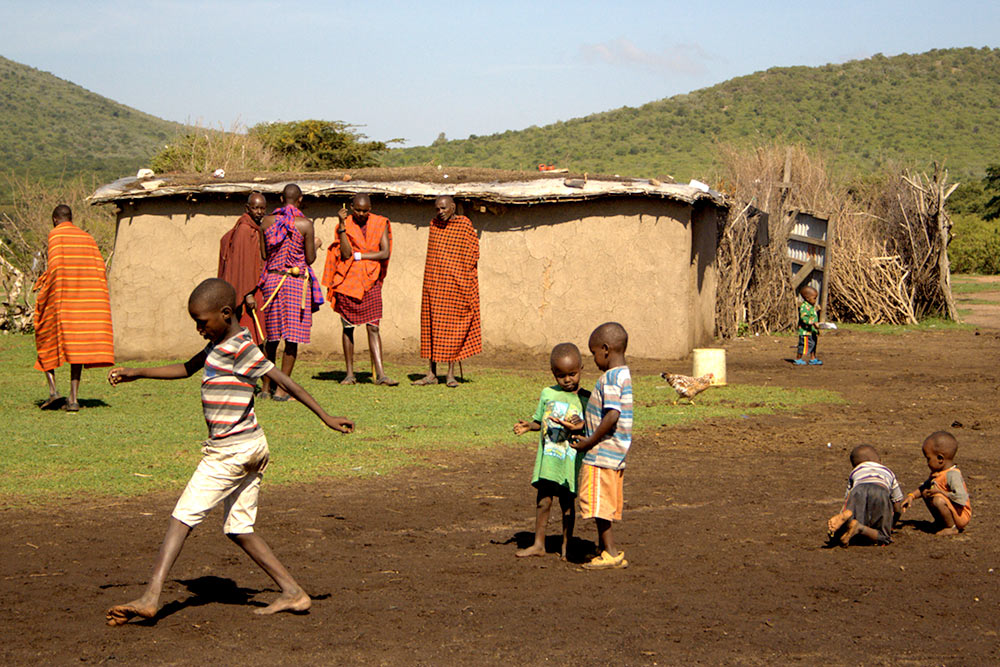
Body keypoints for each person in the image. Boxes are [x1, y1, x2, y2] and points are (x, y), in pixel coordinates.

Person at [104, 278, 353, 626]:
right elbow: (186, 369)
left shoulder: (241, 346)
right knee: (239, 528)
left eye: (202, 322)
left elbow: (284, 381)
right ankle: (292, 592)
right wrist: (137, 373)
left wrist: (325, 416)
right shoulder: (219, 344)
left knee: (182, 518)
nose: (198, 328)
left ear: (225, 313)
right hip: (250, 447)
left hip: (231, 452)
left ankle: (150, 597)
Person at [556, 322, 633, 570]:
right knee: (604, 501)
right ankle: (603, 548)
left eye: (594, 354)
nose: (595, 360)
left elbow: (611, 415)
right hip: (613, 451)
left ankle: (610, 552)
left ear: (606, 349)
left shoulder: (610, 377)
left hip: (602, 453)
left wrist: (589, 441)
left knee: (598, 503)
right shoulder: (624, 375)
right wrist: (583, 428)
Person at [32, 204, 114, 412]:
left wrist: (42, 289)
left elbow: (56, 269)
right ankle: (74, 399)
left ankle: (53, 392)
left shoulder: (56, 235)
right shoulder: (87, 238)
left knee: (44, 337)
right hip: (84, 303)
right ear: (71, 218)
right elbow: (98, 271)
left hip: (60, 300)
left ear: (54, 220)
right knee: (77, 349)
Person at [513, 343, 590, 560]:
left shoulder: (585, 399)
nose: (568, 380)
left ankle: (567, 545)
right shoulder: (547, 393)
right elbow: (540, 421)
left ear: (581, 369)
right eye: (561, 375)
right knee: (543, 501)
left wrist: (581, 423)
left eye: (572, 374)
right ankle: (539, 543)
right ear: (553, 374)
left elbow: (591, 428)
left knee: (567, 505)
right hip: (548, 460)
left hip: (568, 460)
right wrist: (529, 425)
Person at [321, 194, 398, 386]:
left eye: (365, 210)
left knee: (373, 326)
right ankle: (349, 374)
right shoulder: (344, 224)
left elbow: (384, 252)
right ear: (351, 207)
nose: (362, 214)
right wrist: (342, 225)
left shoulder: (380, 223)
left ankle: (380, 374)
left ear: (370, 208)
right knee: (347, 327)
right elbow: (345, 253)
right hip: (348, 282)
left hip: (371, 280)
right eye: (358, 210)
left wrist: (359, 256)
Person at [257, 184, 324, 400]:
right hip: (295, 283)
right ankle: (283, 389)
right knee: (291, 338)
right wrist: (316, 243)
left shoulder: (266, 222)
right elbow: (310, 258)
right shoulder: (305, 224)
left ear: (280, 197)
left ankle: (266, 389)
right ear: (300, 199)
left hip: (273, 280)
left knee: (272, 337)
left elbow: (264, 254)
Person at [412, 195, 481, 388]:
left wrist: (462, 277)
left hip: (456, 286)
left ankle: (450, 374)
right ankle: (431, 373)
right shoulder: (434, 225)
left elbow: (473, 253)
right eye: (437, 209)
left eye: (443, 208)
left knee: (453, 329)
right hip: (434, 286)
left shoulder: (464, 225)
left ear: (452, 207)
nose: (440, 212)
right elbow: (434, 256)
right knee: (432, 328)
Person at [827, 445, 904, 546]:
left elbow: (848, 499)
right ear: (880, 461)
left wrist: (843, 512)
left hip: (858, 489)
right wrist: (891, 524)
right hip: (880, 490)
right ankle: (860, 528)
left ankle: (843, 525)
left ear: (855, 465)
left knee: (850, 519)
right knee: (884, 537)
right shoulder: (888, 471)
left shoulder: (855, 472)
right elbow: (897, 508)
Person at [218, 192, 267, 345]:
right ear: (247, 208)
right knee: (248, 334)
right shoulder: (245, 230)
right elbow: (241, 266)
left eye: (262, 208)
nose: (259, 212)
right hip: (248, 291)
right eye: (255, 208)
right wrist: (247, 294)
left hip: (256, 286)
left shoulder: (256, 228)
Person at [900, 431, 971, 536]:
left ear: (940, 459)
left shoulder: (952, 475)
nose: (927, 463)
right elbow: (924, 486)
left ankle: (951, 527)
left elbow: (961, 498)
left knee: (938, 499)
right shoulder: (937, 474)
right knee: (926, 492)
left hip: (961, 515)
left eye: (928, 459)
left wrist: (941, 492)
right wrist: (912, 496)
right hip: (951, 508)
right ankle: (941, 522)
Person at [794, 285, 822, 365]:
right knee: (804, 346)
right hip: (805, 332)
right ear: (807, 298)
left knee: (813, 345)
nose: (815, 300)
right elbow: (804, 319)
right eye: (814, 298)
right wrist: (813, 322)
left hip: (812, 331)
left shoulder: (811, 306)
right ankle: (798, 359)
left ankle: (813, 358)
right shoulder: (804, 307)